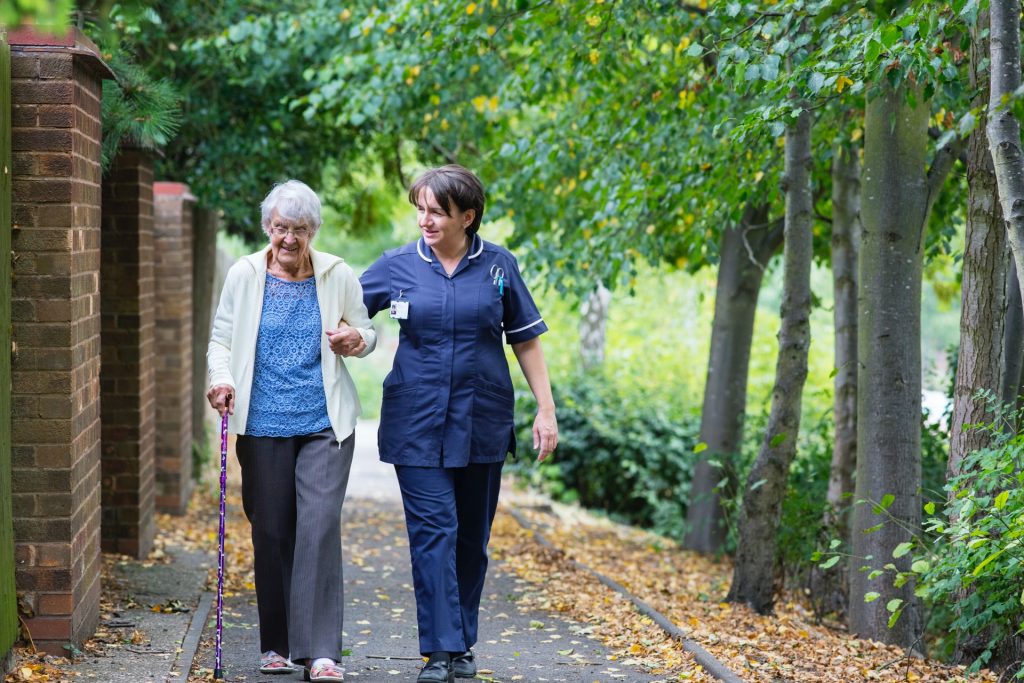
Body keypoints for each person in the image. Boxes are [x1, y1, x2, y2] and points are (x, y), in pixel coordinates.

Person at [358, 165, 558, 683]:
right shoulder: (397, 265)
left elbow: (526, 339)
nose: (425, 219)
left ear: (467, 217)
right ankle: (441, 651)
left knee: (472, 538)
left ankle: (461, 642)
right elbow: (346, 310)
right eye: (420, 208)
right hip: (416, 422)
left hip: (482, 419)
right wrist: (352, 338)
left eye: (437, 211)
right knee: (434, 532)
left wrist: (546, 408)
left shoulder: (499, 266)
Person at [206, 180, 375, 683]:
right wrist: (221, 381)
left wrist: (355, 340)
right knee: (273, 530)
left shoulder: (336, 275)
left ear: (313, 231)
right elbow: (221, 339)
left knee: (318, 526)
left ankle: (321, 652)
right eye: (281, 228)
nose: (289, 239)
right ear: (267, 228)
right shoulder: (244, 274)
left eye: (299, 230)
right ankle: (277, 643)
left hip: (325, 424)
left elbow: (366, 331)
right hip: (261, 424)